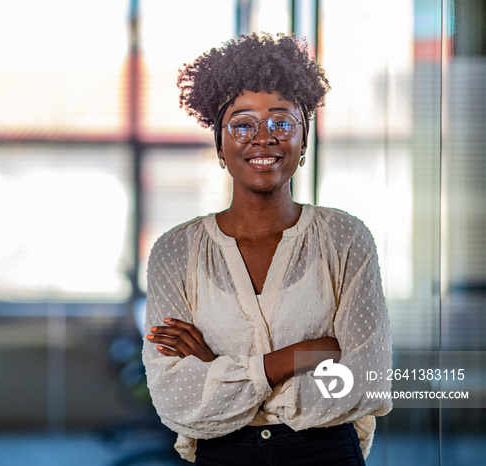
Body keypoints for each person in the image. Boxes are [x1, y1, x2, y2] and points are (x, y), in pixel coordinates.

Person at [142, 33, 392, 465]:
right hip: (224, 456)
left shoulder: (345, 237)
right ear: (220, 144)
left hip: (325, 454)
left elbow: (367, 379)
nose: (263, 138)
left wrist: (217, 368)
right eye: (242, 124)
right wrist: (301, 355)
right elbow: (176, 399)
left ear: (305, 137)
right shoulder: (176, 251)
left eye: (281, 122)